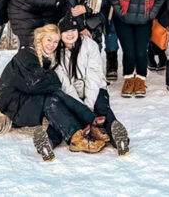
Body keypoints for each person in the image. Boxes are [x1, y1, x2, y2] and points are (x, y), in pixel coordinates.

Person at [0, 24, 107, 162]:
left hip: (26, 100)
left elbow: (45, 83)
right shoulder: (26, 55)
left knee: (56, 104)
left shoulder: (45, 57)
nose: (52, 45)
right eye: (49, 40)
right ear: (40, 39)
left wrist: (51, 80)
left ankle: (49, 142)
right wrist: (53, 79)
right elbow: (36, 84)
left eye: (56, 41)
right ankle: (82, 131)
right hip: (12, 108)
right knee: (53, 100)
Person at [54, 15, 130, 156]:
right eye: (65, 32)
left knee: (102, 109)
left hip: (95, 89)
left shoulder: (90, 45)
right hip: (72, 93)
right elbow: (65, 84)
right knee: (70, 114)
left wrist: (87, 106)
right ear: (60, 34)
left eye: (73, 30)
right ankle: (51, 140)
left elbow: (93, 77)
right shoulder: (57, 53)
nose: (70, 34)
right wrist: (79, 107)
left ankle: (119, 138)